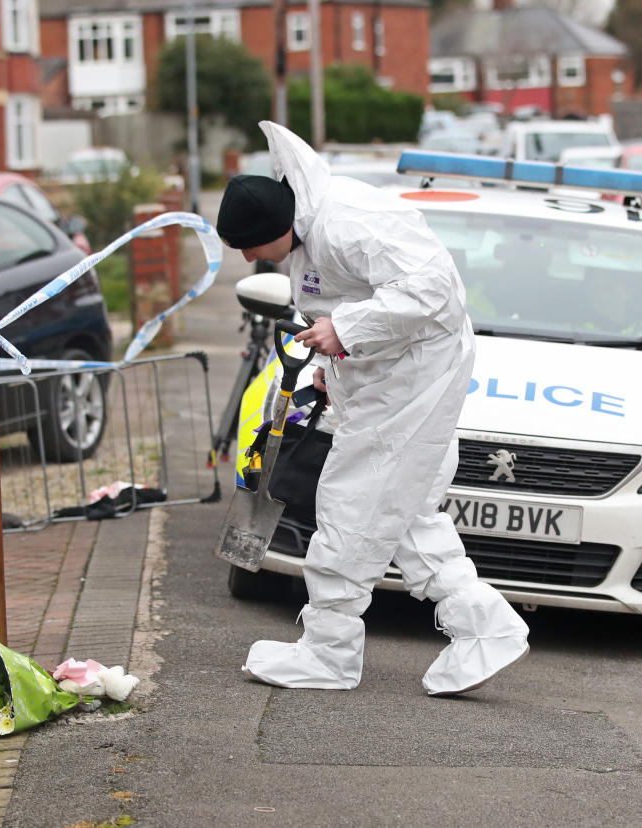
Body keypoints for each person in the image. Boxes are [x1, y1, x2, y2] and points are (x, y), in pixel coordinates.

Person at [216, 121, 530, 695]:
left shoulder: (348, 224)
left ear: (278, 227)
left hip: (413, 378)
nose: (247, 260)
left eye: (250, 248)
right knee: (405, 511)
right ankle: (485, 625)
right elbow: (347, 301)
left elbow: (432, 291)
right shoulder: (308, 231)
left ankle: (329, 653)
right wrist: (336, 365)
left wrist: (347, 331)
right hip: (388, 374)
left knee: (351, 502)